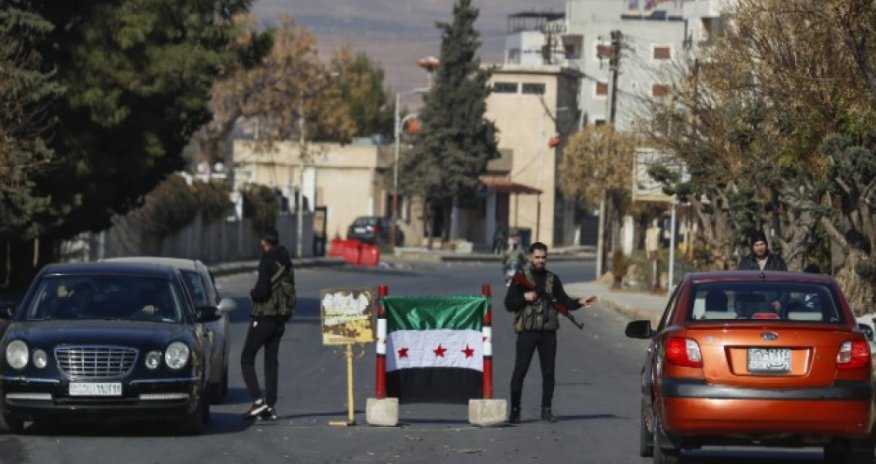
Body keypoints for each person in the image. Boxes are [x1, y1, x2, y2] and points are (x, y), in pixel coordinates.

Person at [504, 242, 598, 424]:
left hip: (548, 333)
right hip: (527, 332)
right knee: (520, 371)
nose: (540, 261)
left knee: (549, 373)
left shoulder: (552, 279)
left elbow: (564, 302)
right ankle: (515, 410)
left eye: (543, 257)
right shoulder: (521, 278)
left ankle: (546, 409)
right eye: (537, 257)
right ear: (531, 257)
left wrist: (580, 301)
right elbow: (509, 303)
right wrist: (525, 297)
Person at [241, 229, 294, 421]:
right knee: (271, 361)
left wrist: (253, 293)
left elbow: (262, 291)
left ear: (265, 243)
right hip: (280, 319)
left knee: (247, 358)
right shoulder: (286, 261)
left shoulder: (266, 261)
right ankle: (270, 406)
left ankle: (257, 400)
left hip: (264, 317)